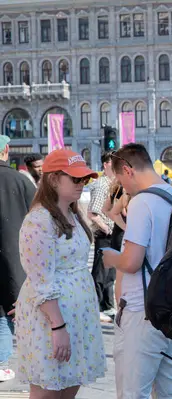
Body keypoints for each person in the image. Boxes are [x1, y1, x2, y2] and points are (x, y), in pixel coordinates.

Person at [15, 149, 106, 397]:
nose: (81, 184)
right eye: (75, 179)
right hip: (54, 319)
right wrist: (58, 326)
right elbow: (41, 278)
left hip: (76, 316)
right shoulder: (39, 220)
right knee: (48, 391)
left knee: (68, 386)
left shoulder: (73, 214)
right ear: (54, 179)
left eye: (84, 179)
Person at [101, 144, 172, 399]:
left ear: (128, 169)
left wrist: (112, 258)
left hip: (142, 311)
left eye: (121, 180)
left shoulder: (142, 203)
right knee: (170, 389)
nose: (123, 188)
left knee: (133, 392)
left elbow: (132, 261)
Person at [0, 135, 36, 382]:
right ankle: (3, 360)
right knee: (11, 312)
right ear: (6, 150)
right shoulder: (21, 181)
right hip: (15, 258)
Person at [88, 152, 116, 322]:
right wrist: (106, 228)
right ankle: (96, 306)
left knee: (110, 272)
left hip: (112, 232)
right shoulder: (101, 185)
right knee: (100, 272)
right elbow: (92, 212)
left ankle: (107, 304)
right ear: (106, 165)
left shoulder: (113, 184)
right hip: (105, 233)